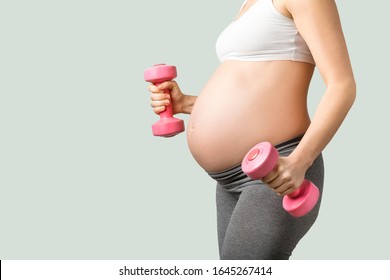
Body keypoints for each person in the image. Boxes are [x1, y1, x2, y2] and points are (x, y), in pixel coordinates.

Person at [147, 0, 355, 260]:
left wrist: (300, 161)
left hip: (276, 169)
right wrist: (188, 104)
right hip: (228, 180)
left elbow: (342, 85)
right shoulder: (250, 2)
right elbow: (257, 91)